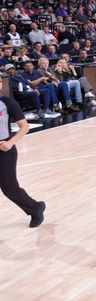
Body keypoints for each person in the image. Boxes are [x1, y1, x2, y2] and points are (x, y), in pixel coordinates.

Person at [0, 90, 46, 227]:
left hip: (4, 150)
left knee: (10, 189)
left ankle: (35, 207)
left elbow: (24, 127)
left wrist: (10, 142)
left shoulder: (8, 102)